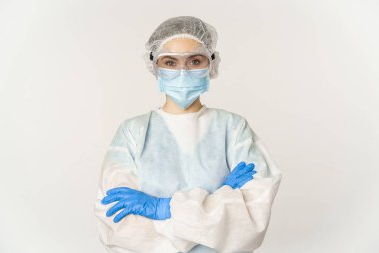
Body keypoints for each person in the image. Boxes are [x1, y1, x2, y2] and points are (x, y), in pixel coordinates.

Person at [93, 16, 282, 253]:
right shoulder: (133, 133)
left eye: (195, 61)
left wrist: (164, 209)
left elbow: (252, 218)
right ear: (155, 66)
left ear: (211, 64)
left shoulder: (233, 129)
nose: (183, 71)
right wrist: (217, 205)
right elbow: (119, 226)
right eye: (170, 62)